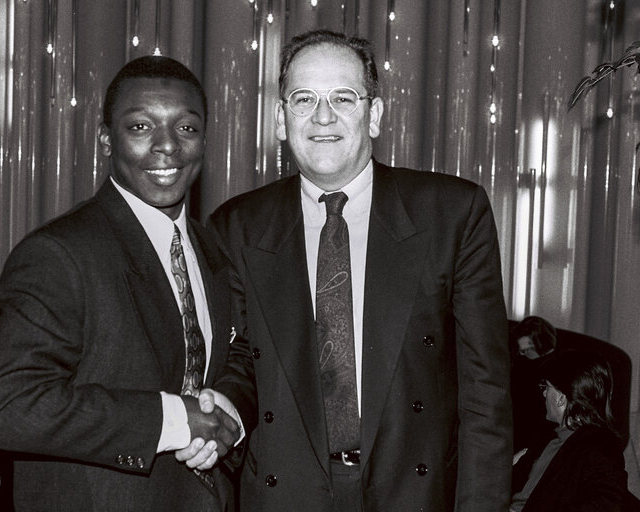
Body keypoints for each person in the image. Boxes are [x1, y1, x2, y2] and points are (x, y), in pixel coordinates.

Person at [206, 29, 512, 512]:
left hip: (413, 494)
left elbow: (485, 394)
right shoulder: (236, 226)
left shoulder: (452, 213)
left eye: (343, 98)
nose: (323, 116)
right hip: (284, 496)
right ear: (280, 121)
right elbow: (240, 361)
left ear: (375, 114)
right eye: (303, 98)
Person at [0, 55, 242, 511]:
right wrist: (175, 419)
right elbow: (7, 407)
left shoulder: (212, 247)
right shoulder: (60, 254)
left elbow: (230, 359)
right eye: (140, 127)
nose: (167, 147)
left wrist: (229, 410)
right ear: (105, 139)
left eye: (186, 128)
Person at [509, 350, 628, 511]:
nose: (544, 393)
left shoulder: (600, 445)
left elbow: (608, 503)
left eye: (547, 387)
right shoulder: (548, 439)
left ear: (561, 398)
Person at [509, 316, 559, 455]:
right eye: (522, 350)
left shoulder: (557, 368)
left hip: (541, 439)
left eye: (528, 349)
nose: (523, 353)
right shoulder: (521, 365)